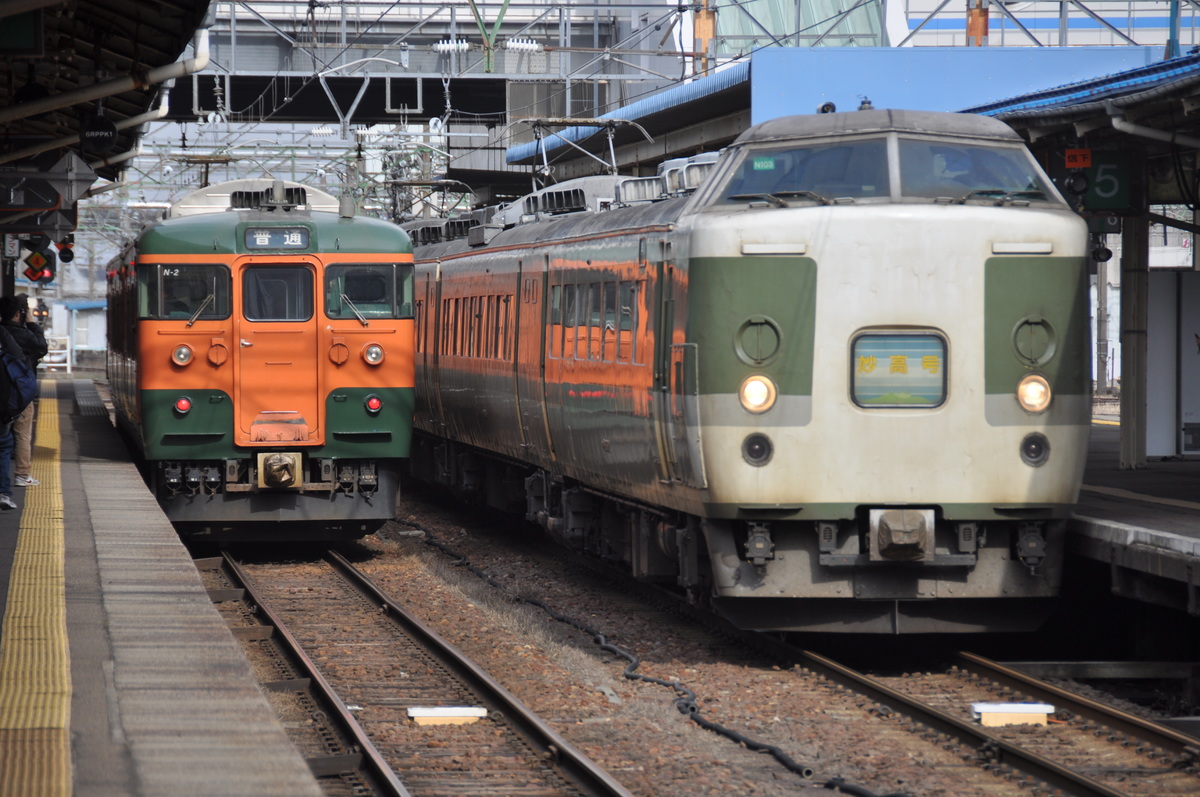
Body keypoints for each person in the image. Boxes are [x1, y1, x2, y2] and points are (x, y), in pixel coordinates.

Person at [0, 294, 47, 489]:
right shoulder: (23, 334)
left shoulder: (2, 331)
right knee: (22, 433)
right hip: (19, 393)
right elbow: (42, 346)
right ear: (19, 314)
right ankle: (22, 473)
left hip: (2, 391)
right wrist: (32, 323)